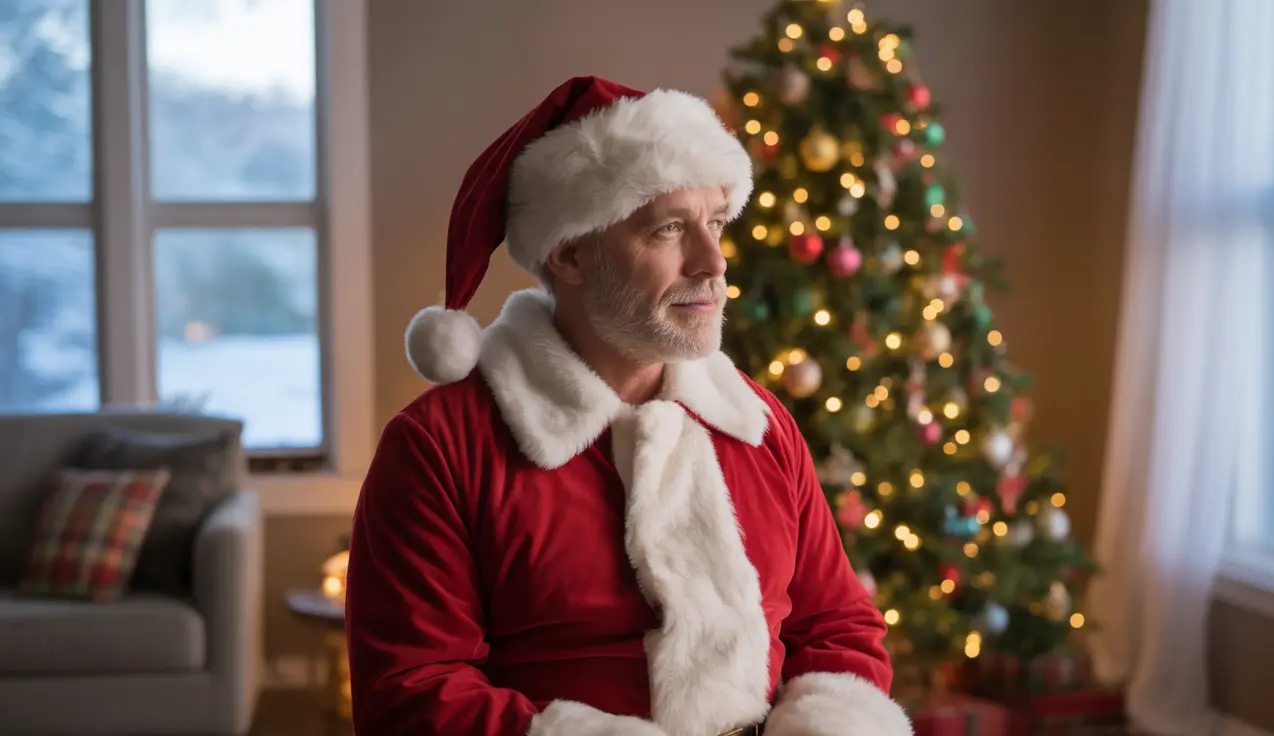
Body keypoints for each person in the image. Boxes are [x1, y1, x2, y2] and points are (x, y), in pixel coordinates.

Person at [344, 75, 913, 736]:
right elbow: (412, 696)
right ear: (569, 253)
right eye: (670, 229)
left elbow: (837, 624)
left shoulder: (757, 424)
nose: (712, 262)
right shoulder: (438, 448)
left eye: (716, 223)